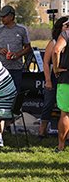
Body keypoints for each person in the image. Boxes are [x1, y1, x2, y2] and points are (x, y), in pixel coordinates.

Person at [38, 17, 69, 140]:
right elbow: (46, 62)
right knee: (48, 104)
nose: (68, 28)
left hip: (65, 77)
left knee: (65, 110)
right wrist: (48, 80)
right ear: (60, 28)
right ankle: (42, 132)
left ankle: (65, 137)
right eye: (66, 26)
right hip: (53, 77)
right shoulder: (54, 42)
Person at [0, 5, 31, 93]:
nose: (2, 19)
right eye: (1, 17)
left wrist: (18, 54)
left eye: (4, 16)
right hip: (0, 68)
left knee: (15, 93)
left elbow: (28, 48)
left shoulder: (22, 29)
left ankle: (15, 107)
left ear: (11, 16)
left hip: (16, 68)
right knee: (1, 92)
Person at [52, 18, 69, 153]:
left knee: (65, 113)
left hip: (66, 78)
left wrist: (56, 68)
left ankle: (61, 147)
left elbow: (56, 50)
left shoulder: (66, 34)